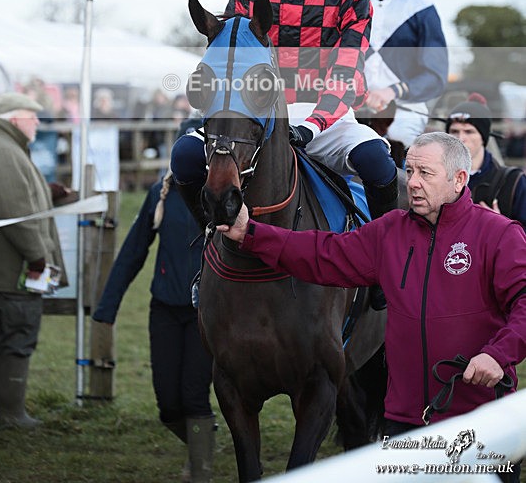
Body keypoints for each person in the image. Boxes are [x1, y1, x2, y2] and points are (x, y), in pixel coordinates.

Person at [218, 132, 526, 483]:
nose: (412, 183)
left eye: (425, 173)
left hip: (479, 419)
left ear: (459, 179)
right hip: (405, 422)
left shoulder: (500, 234)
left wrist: (498, 355)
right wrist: (250, 233)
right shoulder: (389, 231)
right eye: (409, 171)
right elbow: (324, 254)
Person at [172, 0, 398, 245]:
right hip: (257, 117)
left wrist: (311, 126)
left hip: (326, 120)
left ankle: (387, 255)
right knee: (184, 155)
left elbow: (346, 72)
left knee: (376, 161)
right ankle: (212, 240)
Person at [92, 129, 215, 483]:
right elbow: (133, 252)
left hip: (204, 314)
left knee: (194, 397)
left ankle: (201, 469)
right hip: (162, 308)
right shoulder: (159, 195)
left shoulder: (222, 197)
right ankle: (202, 439)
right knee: (168, 407)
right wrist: (107, 308)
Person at [0, 92, 68, 428]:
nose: (37, 121)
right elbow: (15, 212)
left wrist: (45, 191)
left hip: (4, 270)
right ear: (12, 119)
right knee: (17, 335)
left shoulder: (6, 149)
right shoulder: (5, 152)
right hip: (12, 272)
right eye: (31, 115)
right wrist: (37, 258)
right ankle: (10, 413)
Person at [360, 0, 448, 149]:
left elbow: (435, 76)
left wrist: (392, 91)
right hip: (352, 108)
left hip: (405, 111)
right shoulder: (350, 1)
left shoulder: (422, 9)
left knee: (396, 150)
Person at [445, 93, 526, 230]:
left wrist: (504, 227)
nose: (460, 138)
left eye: (469, 131)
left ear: (483, 137)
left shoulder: (512, 182)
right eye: (454, 131)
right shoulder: (437, 176)